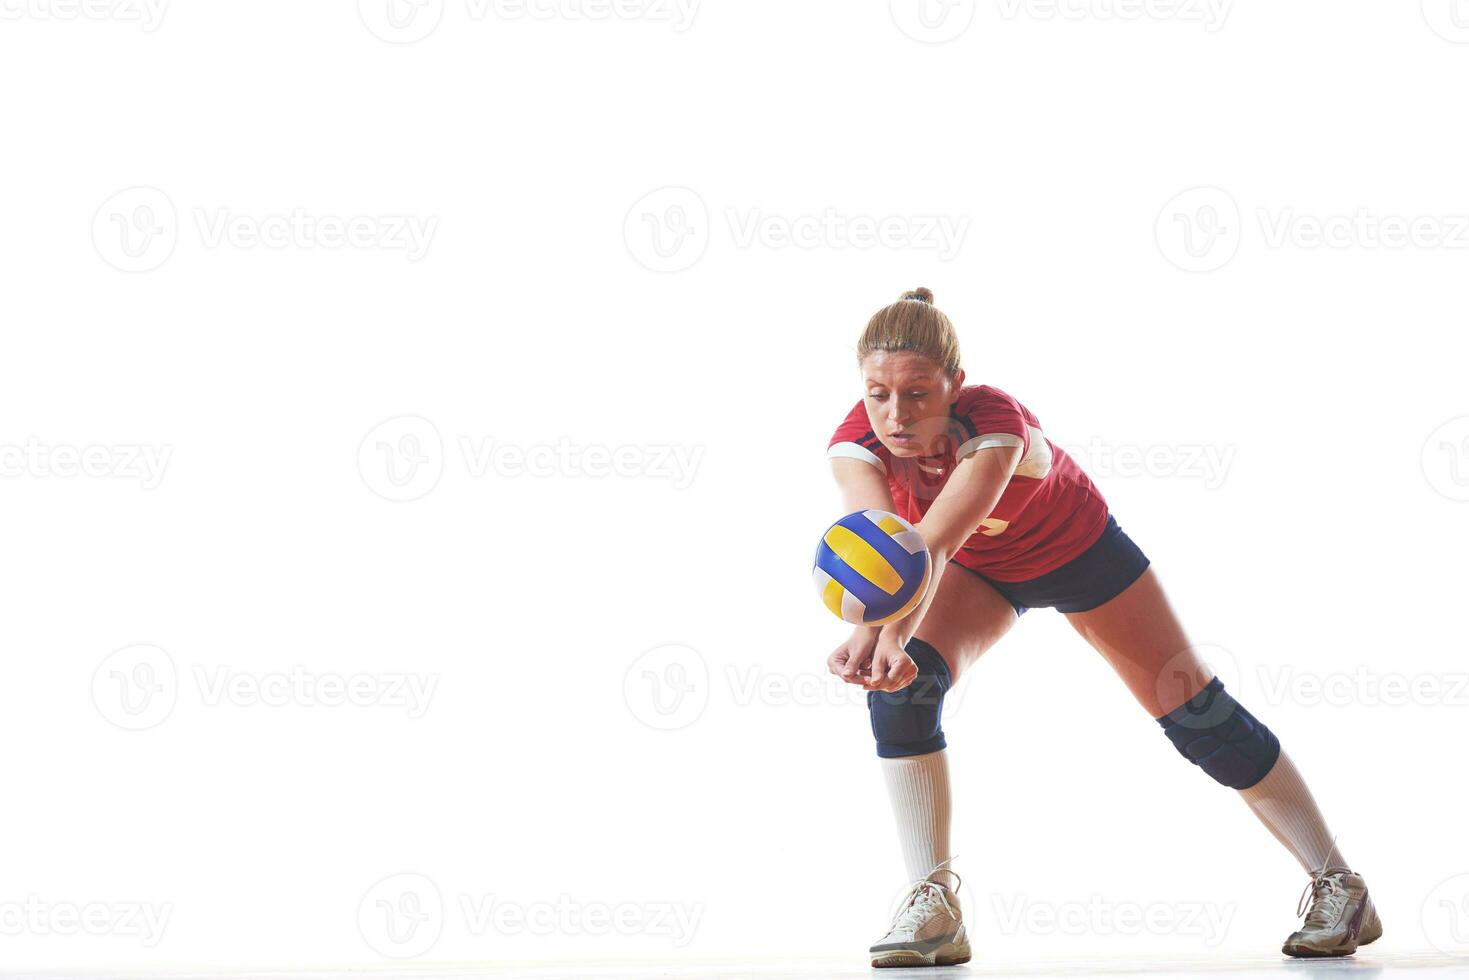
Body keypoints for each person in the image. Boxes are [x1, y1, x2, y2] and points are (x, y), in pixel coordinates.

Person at [824, 287, 1381, 968]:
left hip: (1077, 553)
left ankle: (1337, 883)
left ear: (955, 385)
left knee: (1196, 715)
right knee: (900, 691)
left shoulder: (995, 424)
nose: (895, 414)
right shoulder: (854, 444)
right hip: (978, 571)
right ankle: (932, 900)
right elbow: (881, 553)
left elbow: (929, 544)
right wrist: (871, 635)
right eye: (877, 393)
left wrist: (885, 635)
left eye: (916, 393)